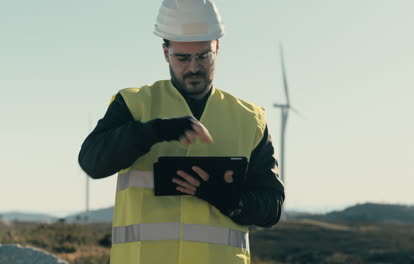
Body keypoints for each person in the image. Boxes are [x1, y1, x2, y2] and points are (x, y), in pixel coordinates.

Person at [78, 0, 284, 263]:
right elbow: (92, 162)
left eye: (203, 55)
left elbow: (272, 207)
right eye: (183, 57)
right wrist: (155, 130)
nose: (194, 67)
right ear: (166, 53)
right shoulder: (133, 104)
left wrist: (228, 199)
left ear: (217, 47)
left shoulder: (250, 118)